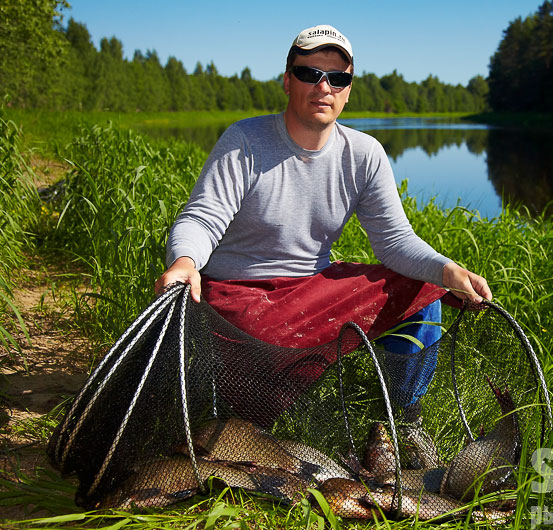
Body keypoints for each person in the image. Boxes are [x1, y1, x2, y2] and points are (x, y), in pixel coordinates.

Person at [154, 24, 491, 467]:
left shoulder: (365, 153)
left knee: (421, 287)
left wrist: (446, 270)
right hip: (240, 293)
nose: (323, 86)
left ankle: (405, 423)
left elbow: (394, 241)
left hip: (311, 285)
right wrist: (184, 262)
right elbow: (203, 216)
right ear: (287, 80)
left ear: (349, 90)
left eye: (338, 78)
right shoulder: (245, 140)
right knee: (256, 359)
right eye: (310, 73)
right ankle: (251, 401)